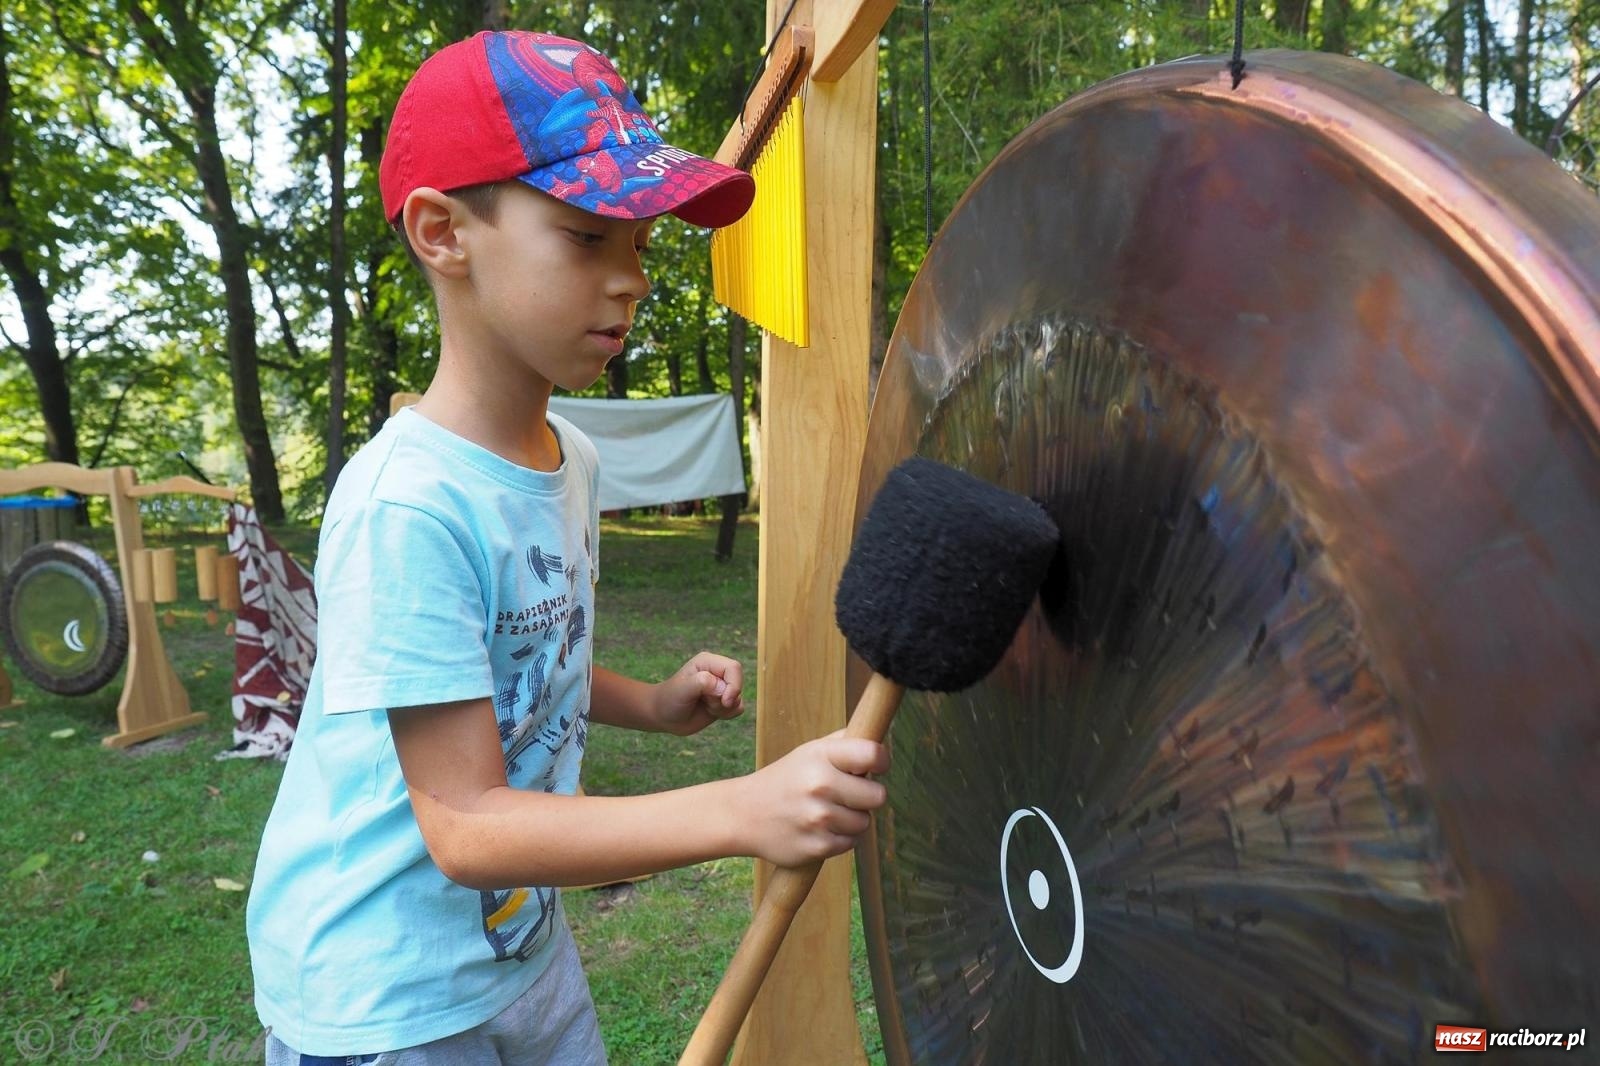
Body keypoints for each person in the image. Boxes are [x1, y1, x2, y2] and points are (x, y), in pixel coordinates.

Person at [246, 29, 889, 1066]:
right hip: (384, 995)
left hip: (523, 951)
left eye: (637, 244)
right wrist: (743, 807)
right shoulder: (406, 502)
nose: (633, 279)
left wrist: (648, 702)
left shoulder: (570, 457)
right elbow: (462, 824)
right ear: (442, 233)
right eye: (589, 237)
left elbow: (519, 656)